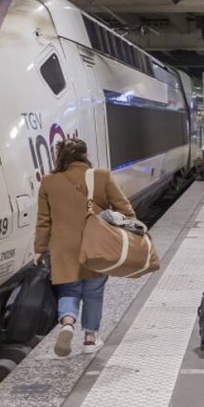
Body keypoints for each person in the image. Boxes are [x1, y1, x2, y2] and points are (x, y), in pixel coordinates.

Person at [35, 138, 135, 357]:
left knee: (69, 290)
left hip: (63, 247)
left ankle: (67, 323)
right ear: (85, 155)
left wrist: (40, 249)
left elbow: (44, 220)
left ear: (60, 157)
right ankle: (90, 339)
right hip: (96, 243)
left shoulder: (49, 182)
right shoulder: (102, 176)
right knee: (93, 292)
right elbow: (126, 212)